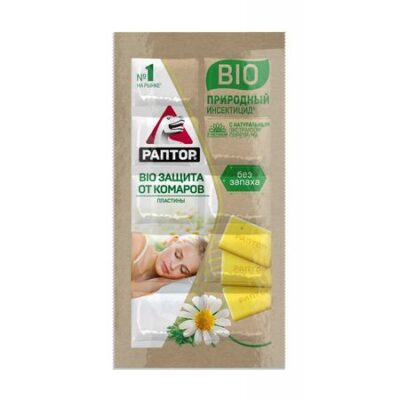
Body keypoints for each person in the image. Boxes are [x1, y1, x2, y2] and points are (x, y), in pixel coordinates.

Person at [131, 232, 208, 298]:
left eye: (182, 270)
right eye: (177, 255)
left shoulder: (161, 290)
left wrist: (157, 284)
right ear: (173, 241)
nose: (173, 266)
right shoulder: (137, 243)